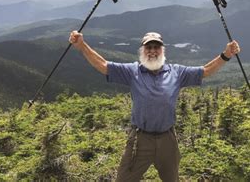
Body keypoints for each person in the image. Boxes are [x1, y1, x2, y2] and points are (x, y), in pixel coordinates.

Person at [69, 31, 240, 182]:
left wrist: (226, 55)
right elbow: (103, 65)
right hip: (140, 139)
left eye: (156, 47)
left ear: (162, 51)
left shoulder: (177, 72)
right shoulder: (132, 71)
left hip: (168, 140)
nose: (152, 51)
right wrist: (82, 45)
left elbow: (205, 71)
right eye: (148, 47)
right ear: (142, 51)